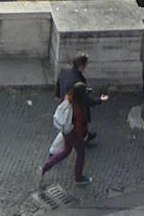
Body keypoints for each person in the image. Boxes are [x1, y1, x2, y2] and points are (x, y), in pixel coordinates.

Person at [40, 55, 102, 186]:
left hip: (66, 128)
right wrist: (100, 100)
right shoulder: (78, 108)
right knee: (80, 153)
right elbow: (81, 119)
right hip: (74, 131)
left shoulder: (68, 97)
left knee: (65, 149)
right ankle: (78, 178)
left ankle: (46, 166)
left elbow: (61, 84)